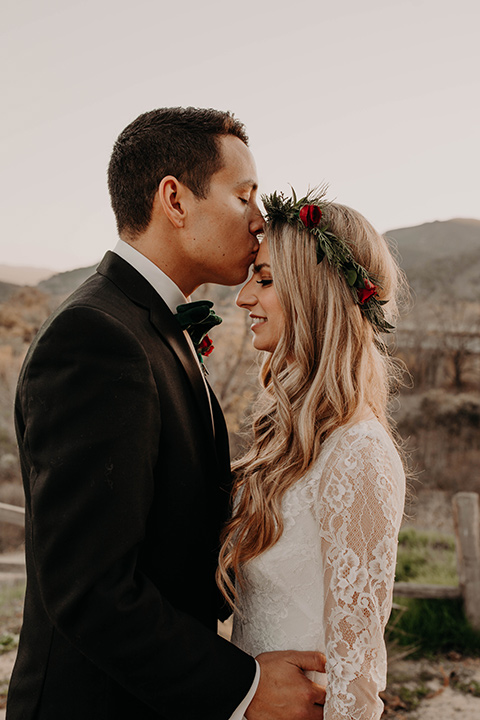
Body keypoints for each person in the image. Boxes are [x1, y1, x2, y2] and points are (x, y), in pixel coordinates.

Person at [7, 109, 326, 720]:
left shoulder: (151, 326)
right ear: (174, 199)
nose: (260, 220)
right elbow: (90, 590)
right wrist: (246, 687)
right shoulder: (97, 339)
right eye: (244, 195)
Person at [218, 189, 406, 720]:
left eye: (266, 279)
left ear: (312, 293)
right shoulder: (293, 439)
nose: (244, 298)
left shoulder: (359, 453)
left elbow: (357, 677)